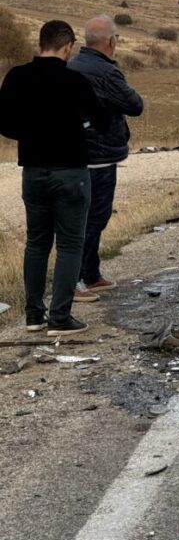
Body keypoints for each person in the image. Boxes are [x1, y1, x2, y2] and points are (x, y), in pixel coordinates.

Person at [0, 20, 108, 336]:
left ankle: (34, 315)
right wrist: (81, 127)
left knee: (36, 243)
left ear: (40, 43)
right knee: (71, 244)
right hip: (71, 172)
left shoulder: (16, 77)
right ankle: (60, 317)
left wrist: (30, 134)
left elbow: (3, 123)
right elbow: (101, 119)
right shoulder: (74, 80)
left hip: (33, 171)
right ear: (67, 47)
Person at [69, 15, 143, 299]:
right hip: (99, 155)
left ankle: (90, 274)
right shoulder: (105, 71)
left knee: (85, 217)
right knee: (94, 218)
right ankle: (77, 280)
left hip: (77, 153)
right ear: (111, 41)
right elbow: (134, 104)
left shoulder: (72, 65)